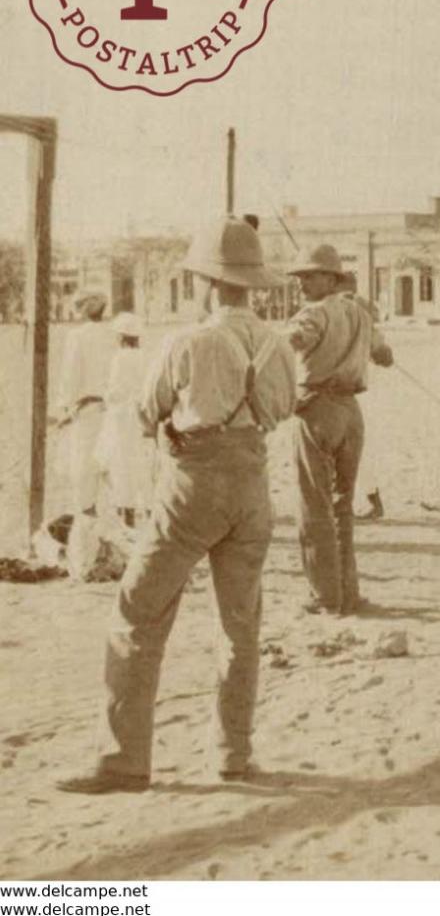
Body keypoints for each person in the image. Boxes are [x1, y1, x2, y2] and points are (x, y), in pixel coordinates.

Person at [57, 218, 296, 794]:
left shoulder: (188, 342)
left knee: (137, 613)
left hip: (193, 484)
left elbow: (145, 413)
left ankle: (122, 761)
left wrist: (174, 427)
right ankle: (232, 755)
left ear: (208, 284)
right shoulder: (275, 343)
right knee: (240, 626)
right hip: (252, 483)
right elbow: (283, 408)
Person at [286, 244, 393, 616]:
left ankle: (324, 595)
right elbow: (386, 356)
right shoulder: (360, 313)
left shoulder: (312, 314)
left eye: (310, 276)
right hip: (351, 412)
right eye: (300, 277)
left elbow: (292, 343)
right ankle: (349, 592)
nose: (302, 283)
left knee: (313, 505)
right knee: (342, 506)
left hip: (318, 409)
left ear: (331, 278)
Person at [54, 290, 117, 561]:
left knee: (84, 474)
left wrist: (65, 409)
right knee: (114, 474)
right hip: (112, 409)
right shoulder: (114, 334)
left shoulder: (77, 337)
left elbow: (70, 376)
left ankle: (88, 546)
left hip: (87, 410)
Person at [338, 271, 395, 524]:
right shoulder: (362, 313)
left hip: (342, 394)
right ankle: (369, 501)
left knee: (345, 452)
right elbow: (384, 355)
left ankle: (361, 503)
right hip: (358, 392)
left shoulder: (329, 311)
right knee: (354, 451)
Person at [93, 312, 153, 528]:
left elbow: (115, 389)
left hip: (121, 416)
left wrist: (106, 398)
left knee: (119, 463)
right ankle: (148, 510)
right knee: (142, 465)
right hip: (141, 415)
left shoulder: (120, 358)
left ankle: (126, 513)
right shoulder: (146, 356)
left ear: (121, 337)